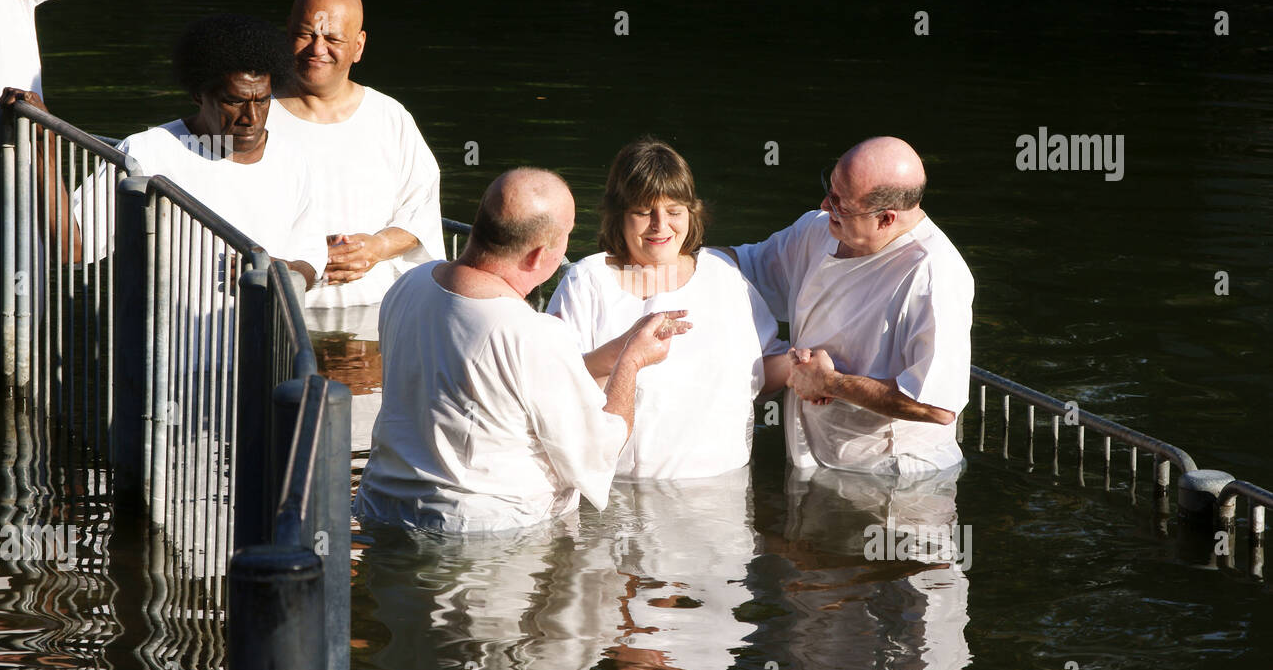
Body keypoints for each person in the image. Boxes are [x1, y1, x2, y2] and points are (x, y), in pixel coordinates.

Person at [355, 167, 679, 534]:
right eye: (566, 238)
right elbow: (597, 453)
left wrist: (618, 352)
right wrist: (632, 363)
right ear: (540, 254)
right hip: (483, 537)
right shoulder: (533, 333)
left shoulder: (408, 285)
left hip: (380, 509)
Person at [726, 136, 974, 474]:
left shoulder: (933, 275)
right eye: (831, 189)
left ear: (886, 219)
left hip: (892, 484)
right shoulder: (817, 230)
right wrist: (666, 260)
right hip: (811, 462)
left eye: (842, 203)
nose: (825, 205)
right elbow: (746, 266)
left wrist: (832, 384)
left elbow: (937, 405)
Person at [548, 138, 789, 480]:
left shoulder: (723, 275)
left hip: (720, 491)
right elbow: (556, 385)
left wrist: (802, 366)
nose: (661, 225)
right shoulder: (588, 280)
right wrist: (625, 351)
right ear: (619, 216)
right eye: (644, 212)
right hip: (618, 491)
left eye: (674, 211)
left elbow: (763, 369)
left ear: (692, 212)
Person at [70, 14, 326, 287]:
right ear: (198, 95)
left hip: (259, 329)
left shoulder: (291, 160)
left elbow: (311, 260)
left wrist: (284, 271)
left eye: (262, 101)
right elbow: (73, 247)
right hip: (168, 330)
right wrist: (44, 150)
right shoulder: (146, 152)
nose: (251, 117)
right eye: (234, 101)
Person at [268, 0, 444, 309]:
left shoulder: (389, 117)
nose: (317, 49)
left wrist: (376, 247)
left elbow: (423, 211)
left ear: (359, 46)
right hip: (278, 315)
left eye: (333, 38)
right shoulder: (251, 116)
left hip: (371, 318)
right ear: (286, 34)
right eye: (306, 34)